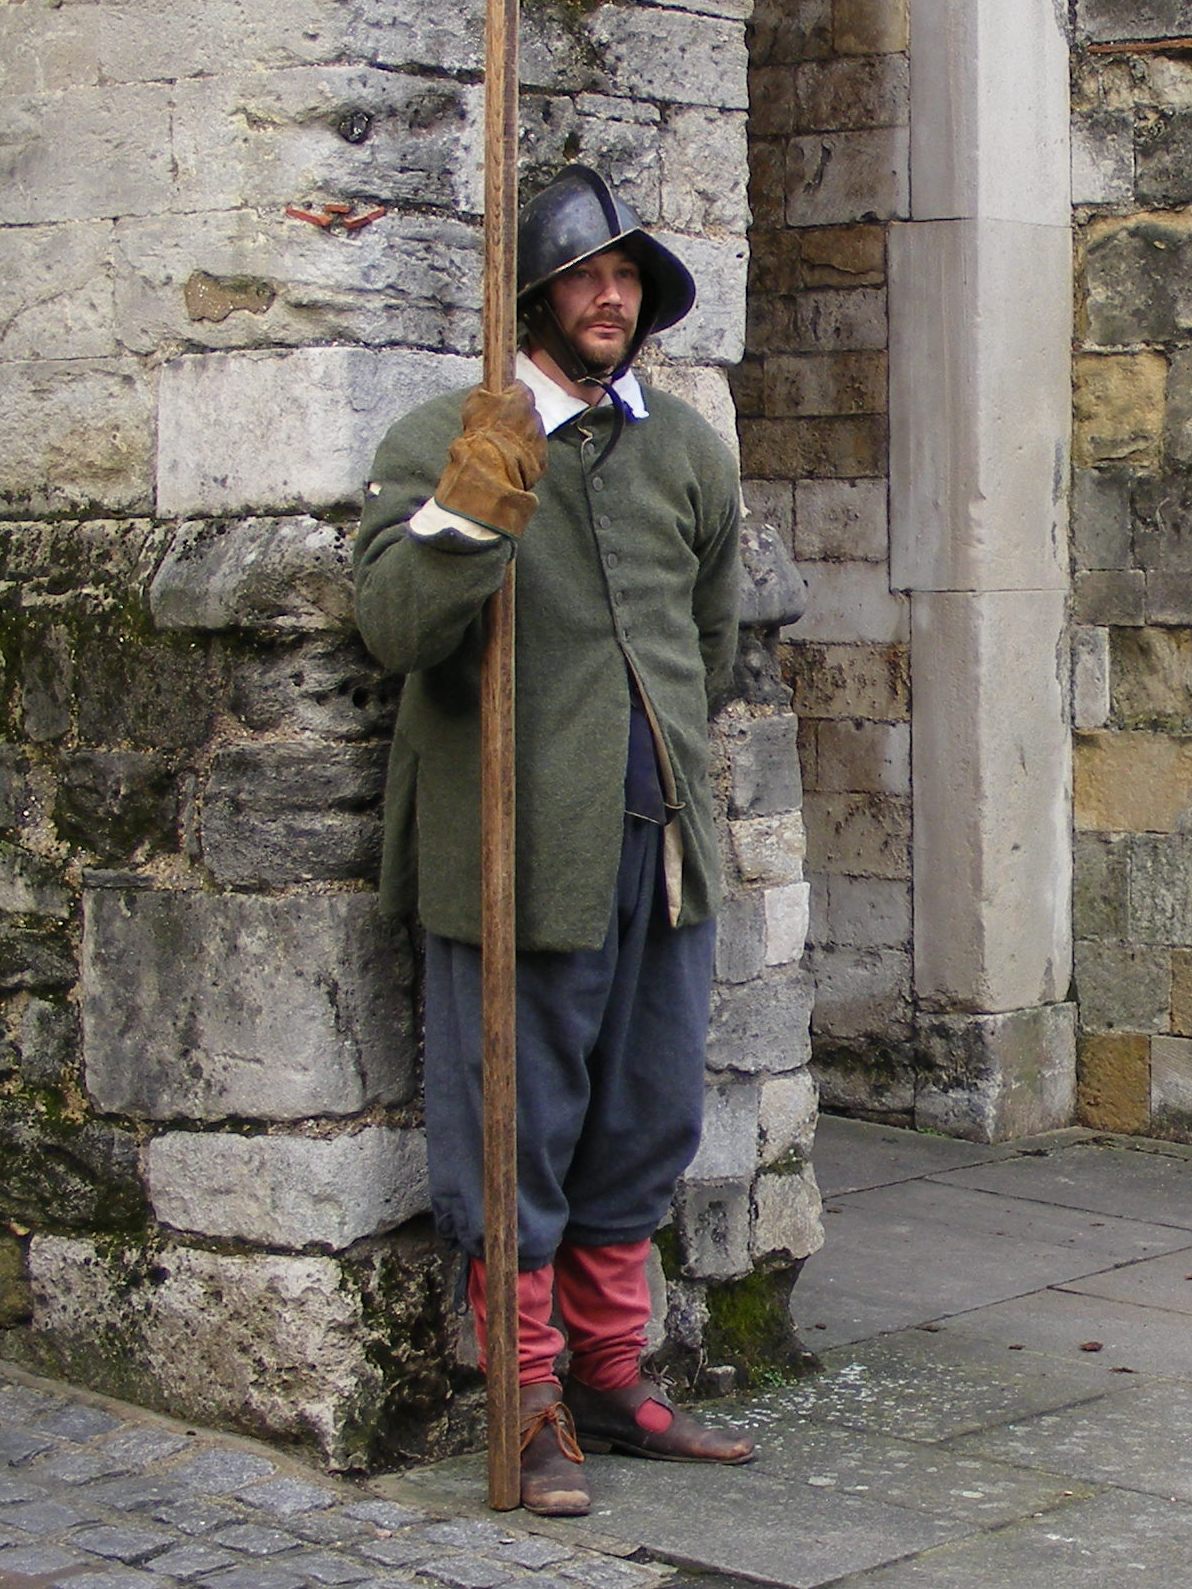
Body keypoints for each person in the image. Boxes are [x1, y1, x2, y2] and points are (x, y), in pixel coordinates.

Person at [354, 164, 753, 1516]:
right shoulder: (445, 437)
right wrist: (473, 505)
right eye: (589, 275)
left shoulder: (689, 447)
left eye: (629, 276)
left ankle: (609, 1374)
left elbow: (712, 643)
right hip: (518, 853)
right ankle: (524, 1399)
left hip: (666, 850)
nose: (611, 295)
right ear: (536, 293)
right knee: (514, 1133)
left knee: (645, 1117)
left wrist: (683, 783)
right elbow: (397, 632)